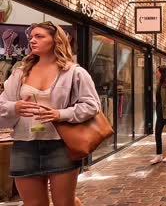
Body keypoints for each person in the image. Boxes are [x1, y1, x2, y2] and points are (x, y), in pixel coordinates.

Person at [0, 21, 100, 206]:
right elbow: (2, 105)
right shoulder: (19, 73)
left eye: (39, 36)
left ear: (55, 40)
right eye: (31, 37)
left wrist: (60, 114)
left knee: (64, 203)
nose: (32, 40)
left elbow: (92, 105)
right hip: (24, 146)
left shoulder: (74, 73)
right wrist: (15, 107)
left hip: (60, 145)